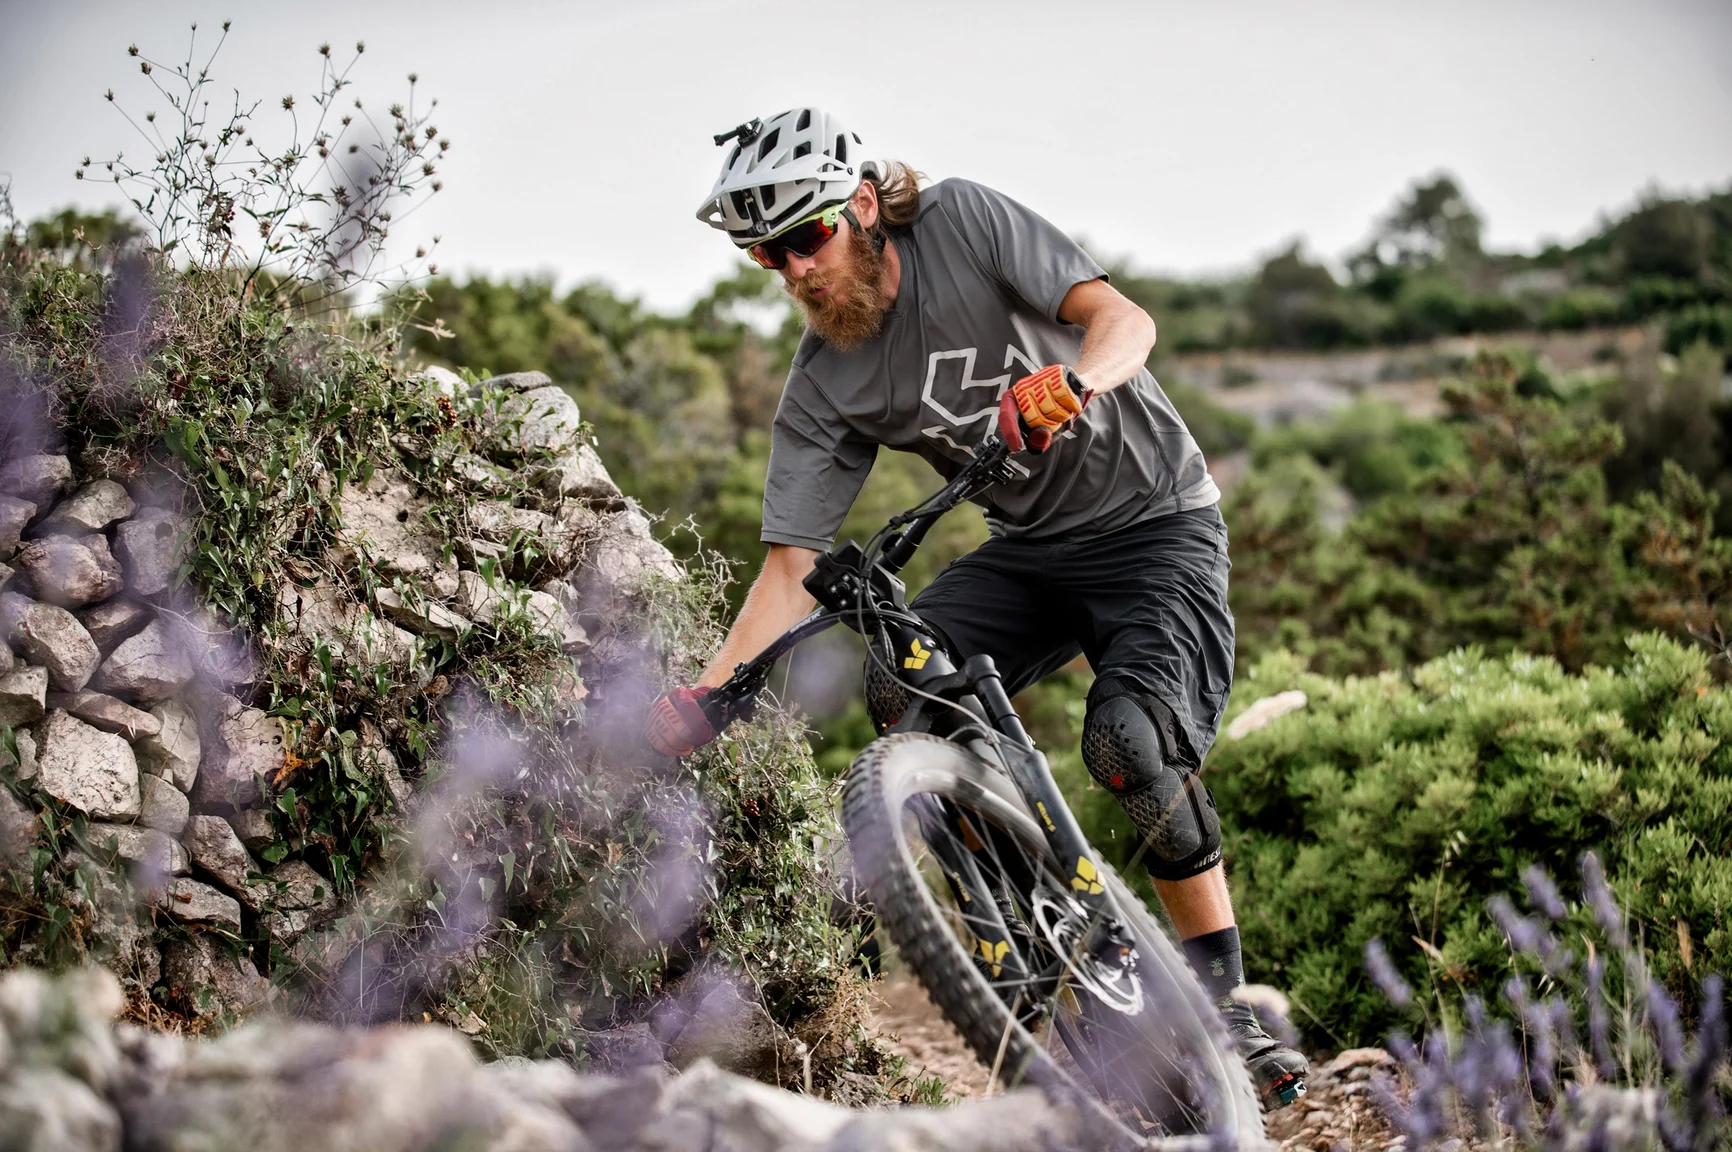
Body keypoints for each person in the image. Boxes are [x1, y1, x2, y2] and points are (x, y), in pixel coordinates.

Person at [647, 106, 1307, 1106]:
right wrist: (706, 695)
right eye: (767, 256)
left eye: (807, 237)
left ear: (862, 206)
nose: (795, 271)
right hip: (1030, 552)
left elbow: (1126, 321)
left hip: (1156, 525)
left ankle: (1227, 1008)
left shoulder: (961, 223)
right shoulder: (824, 380)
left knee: (1129, 744)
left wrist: (1074, 381)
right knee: (901, 682)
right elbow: (789, 568)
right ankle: (1035, 917)